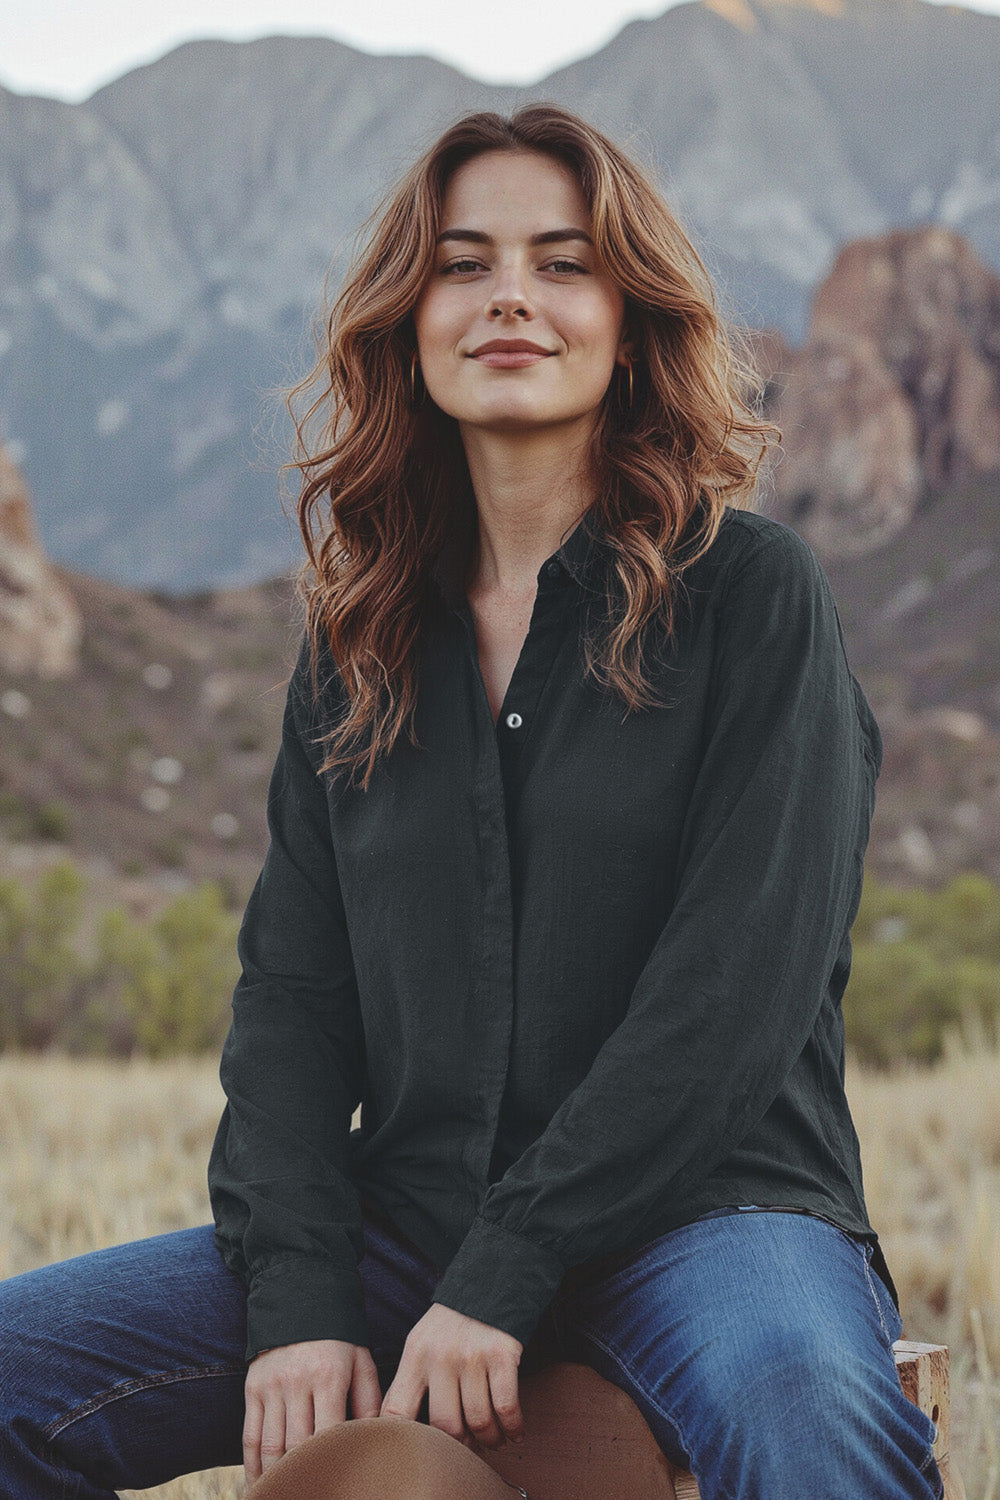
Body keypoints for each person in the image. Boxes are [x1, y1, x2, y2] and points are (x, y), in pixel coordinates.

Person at [0, 105, 942, 1500]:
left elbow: (733, 991)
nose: (510, 294)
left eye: (562, 263)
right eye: (463, 263)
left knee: (804, 1407)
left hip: (713, 1213)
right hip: (412, 1226)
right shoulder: (359, 642)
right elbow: (294, 1007)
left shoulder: (753, 597)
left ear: (631, 325)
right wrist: (304, 1297)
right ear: (410, 319)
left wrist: (508, 1269)